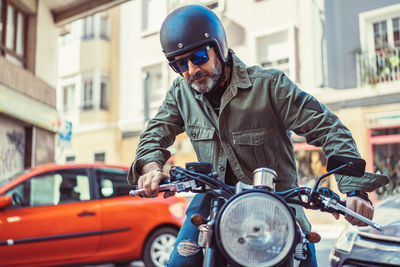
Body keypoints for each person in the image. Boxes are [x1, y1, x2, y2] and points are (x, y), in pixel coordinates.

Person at [128, 4, 387, 266]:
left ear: (220, 47)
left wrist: (355, 190)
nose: (190, 71)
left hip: (277, 207)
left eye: (198, 58)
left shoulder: (270, 86)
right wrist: (150, 169)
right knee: (179, 263)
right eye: (178, 64)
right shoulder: (180, 93)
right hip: (213, 205)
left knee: (302, 258)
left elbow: (329, 128)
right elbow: (154, 134)